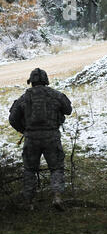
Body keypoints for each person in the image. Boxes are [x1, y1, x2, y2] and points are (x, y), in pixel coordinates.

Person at [9, 68, 72, 211]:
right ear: (46, 80)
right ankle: (57, 196)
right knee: (56, 168)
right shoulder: (55, 95)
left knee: (29, 170)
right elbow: (68, 110)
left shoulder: (24, 98)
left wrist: (24, 130)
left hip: (31, 138)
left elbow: (12, 119)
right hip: (52, 137)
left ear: (31, 81)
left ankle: (29, 202)